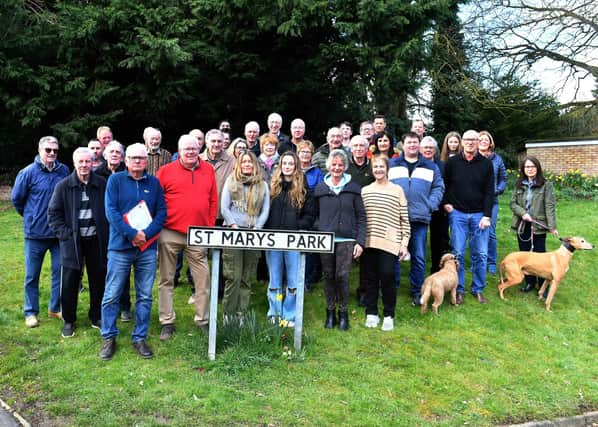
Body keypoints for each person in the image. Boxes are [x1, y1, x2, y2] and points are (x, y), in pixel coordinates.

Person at [99, 143, 166, 360]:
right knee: (112, 294)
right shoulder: (115, 181)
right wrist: (131, 234)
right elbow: (111, 212)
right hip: (120, 247)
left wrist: (145, 235)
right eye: (133, 158)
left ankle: (139, 338)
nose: (137, 161)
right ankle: (108, 337)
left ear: (147, 161)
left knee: (145, 295)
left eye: (141, 158)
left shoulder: (154, 183)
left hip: (146, 248)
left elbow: (161, 213)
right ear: (125, 160)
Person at [156, 134, 218, 340]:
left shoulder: (208, 169)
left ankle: (202, 320)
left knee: (203, 280)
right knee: (166, 279)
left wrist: (208, 228)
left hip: (198, 234)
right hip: (170, 232)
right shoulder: (165, 171)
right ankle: (167, 321)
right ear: (179, 150)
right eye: (186, 149)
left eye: (194, 148)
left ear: (199, 148)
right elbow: (156, 201)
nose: (191, 152)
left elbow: (212, 200)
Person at [48, 147, 108, 338]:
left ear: (93, 163)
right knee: (70, 281)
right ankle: (69, 320)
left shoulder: (101, 183)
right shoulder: (63, 186)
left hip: (96, 241)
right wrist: (65, 234)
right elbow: (53, 214)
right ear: (74, 163)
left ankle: (96, 316)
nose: (84, 165)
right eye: (80, 162)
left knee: (98, 279)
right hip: (72, 241)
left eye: (87, 161)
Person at [12, 136, 70, 327]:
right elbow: (17, 200)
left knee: (59, 273)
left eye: (55, 150)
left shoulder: (64, 171)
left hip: (58, 234)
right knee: (32, 275)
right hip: (35, 235)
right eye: (48, 150)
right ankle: (30, 312)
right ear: (39, 149)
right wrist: (31, 217)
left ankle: (55, 308)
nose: (52, 153)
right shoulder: (27, 173)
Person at [389, 132, 444, 306]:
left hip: (420, 217)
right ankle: (392, 288)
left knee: (419, 256)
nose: (412, 145)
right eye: (409, 142)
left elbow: (438, 187)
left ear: (419, 145)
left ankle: (417, 291)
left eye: (415, 142)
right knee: (394, 255)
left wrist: (430, 204)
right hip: (396, 217)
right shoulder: (392, 164)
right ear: (402, 145)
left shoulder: (430, 166)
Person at [314, 149, 366, 331]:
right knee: (328, 275)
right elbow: (314, 214)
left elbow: (361, 217)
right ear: (329, 166)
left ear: (345, 167)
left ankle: (343, 313)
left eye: (340, 165)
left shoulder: (353, 189)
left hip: (347, 239)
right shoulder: (320, 189)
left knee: (342, 276)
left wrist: (360, 242)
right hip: (325, 240)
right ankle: (330, 312)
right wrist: (319, 229)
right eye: (334, 164)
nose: (337, 168)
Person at [442, 130, 494, 305]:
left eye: (474, 140)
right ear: (462, 142)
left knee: (481, 253)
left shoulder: (486, 164)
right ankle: (460, 289)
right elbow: (444, 185)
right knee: (458, 253)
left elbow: (489, 192)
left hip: (480, 214)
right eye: (467, 140)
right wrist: (446, 203)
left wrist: (487, 216)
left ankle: (478, 288)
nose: (470, 142)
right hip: (458, 214)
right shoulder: (452, 163)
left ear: (479, 142)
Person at [265, 152, 315, 327]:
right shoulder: (272, 188)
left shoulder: (304, 188)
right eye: (284, 163)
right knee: (275, 279)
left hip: (294, 241)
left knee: (293, 280)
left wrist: (298, 226)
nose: (287, 166)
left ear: (296, 166)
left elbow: (310, 215)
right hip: (273, 240)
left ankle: (290, 314)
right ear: (280, 166)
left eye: (290, 164)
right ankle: (275, 313)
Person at [361, 154, 410, 331]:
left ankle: (389, 314)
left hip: (391, 242)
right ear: (372, 170)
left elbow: (404, 219)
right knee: (370, 279)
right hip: (369, 241)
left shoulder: (397, 190)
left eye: (381, 167)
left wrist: (404, 243)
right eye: (375, 167)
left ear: (387, 169)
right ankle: (371, 312)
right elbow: (362, 219)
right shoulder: (365, 191)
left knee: (388, 278)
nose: (378, 170)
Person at [220, 151, 270, 323]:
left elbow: (265, 210)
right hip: (233, 233)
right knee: (233, 276)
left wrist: (257, 228)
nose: (247, 164)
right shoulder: (231, 181)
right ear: (239, 164)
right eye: (244, 162)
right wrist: (233, 225)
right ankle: (228, 314)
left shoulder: (263, 185)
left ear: (255, 165)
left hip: (253, 233)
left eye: (250, 162)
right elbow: (224, 208)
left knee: (246, 276)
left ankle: (241, 314)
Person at [94, 140, 132, 321]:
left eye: (118, 152)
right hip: (102, 226)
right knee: (103, 267)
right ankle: (108, 304)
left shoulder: (129, 172)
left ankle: (125, 306)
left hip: (123, 226)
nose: (115, 154)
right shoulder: (97, 174)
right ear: (105, 154)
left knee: (123, 267)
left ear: (123, 156)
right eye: (112, 152)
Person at [509, 156, 558, 292]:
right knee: (525, 254)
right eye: (527, 167)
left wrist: (552, 227)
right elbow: (512, 203)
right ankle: (529, 282)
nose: (530, 169)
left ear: (537, 168)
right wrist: (523, 213)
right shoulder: (519, 184)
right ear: (523, 169)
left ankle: (542, 285)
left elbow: (550, 206)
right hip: (523, 224)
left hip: (539, 224)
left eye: (532, 166)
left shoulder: (546, 185)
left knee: (540, 255)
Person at [420, 136, 451, 273]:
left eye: (431, 147)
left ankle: (437, 269)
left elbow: (448, 186)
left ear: (435, 150)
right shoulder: (416, 164)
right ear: (420, 149)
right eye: (425, 147)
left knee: (439, 240)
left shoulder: (443, 166)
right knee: (418, 239)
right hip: (419, 207)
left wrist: (445, 203)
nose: (428, 150)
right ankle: (418, 271)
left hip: (439, 207)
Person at [478, 130, 507, 275]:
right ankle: (478, 261)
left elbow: (503, 179)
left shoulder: (497, 159)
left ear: (490, 143)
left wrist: (498, 189)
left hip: (492, 201)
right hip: (475, 201)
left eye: (486, 139)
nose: (483, 141)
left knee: (490, 232)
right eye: (480, 139)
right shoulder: (472, 157)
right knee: (476, 232)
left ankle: (491, 262)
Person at [297, 140, 324, 288]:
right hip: (294, 212)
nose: (305, 154)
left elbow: (318, 191)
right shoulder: (293, 169)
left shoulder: (317, 172)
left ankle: (307, 279)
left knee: (309, 249)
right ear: (298, 153)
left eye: (308, 152)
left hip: (312, 212)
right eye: (303, 152)